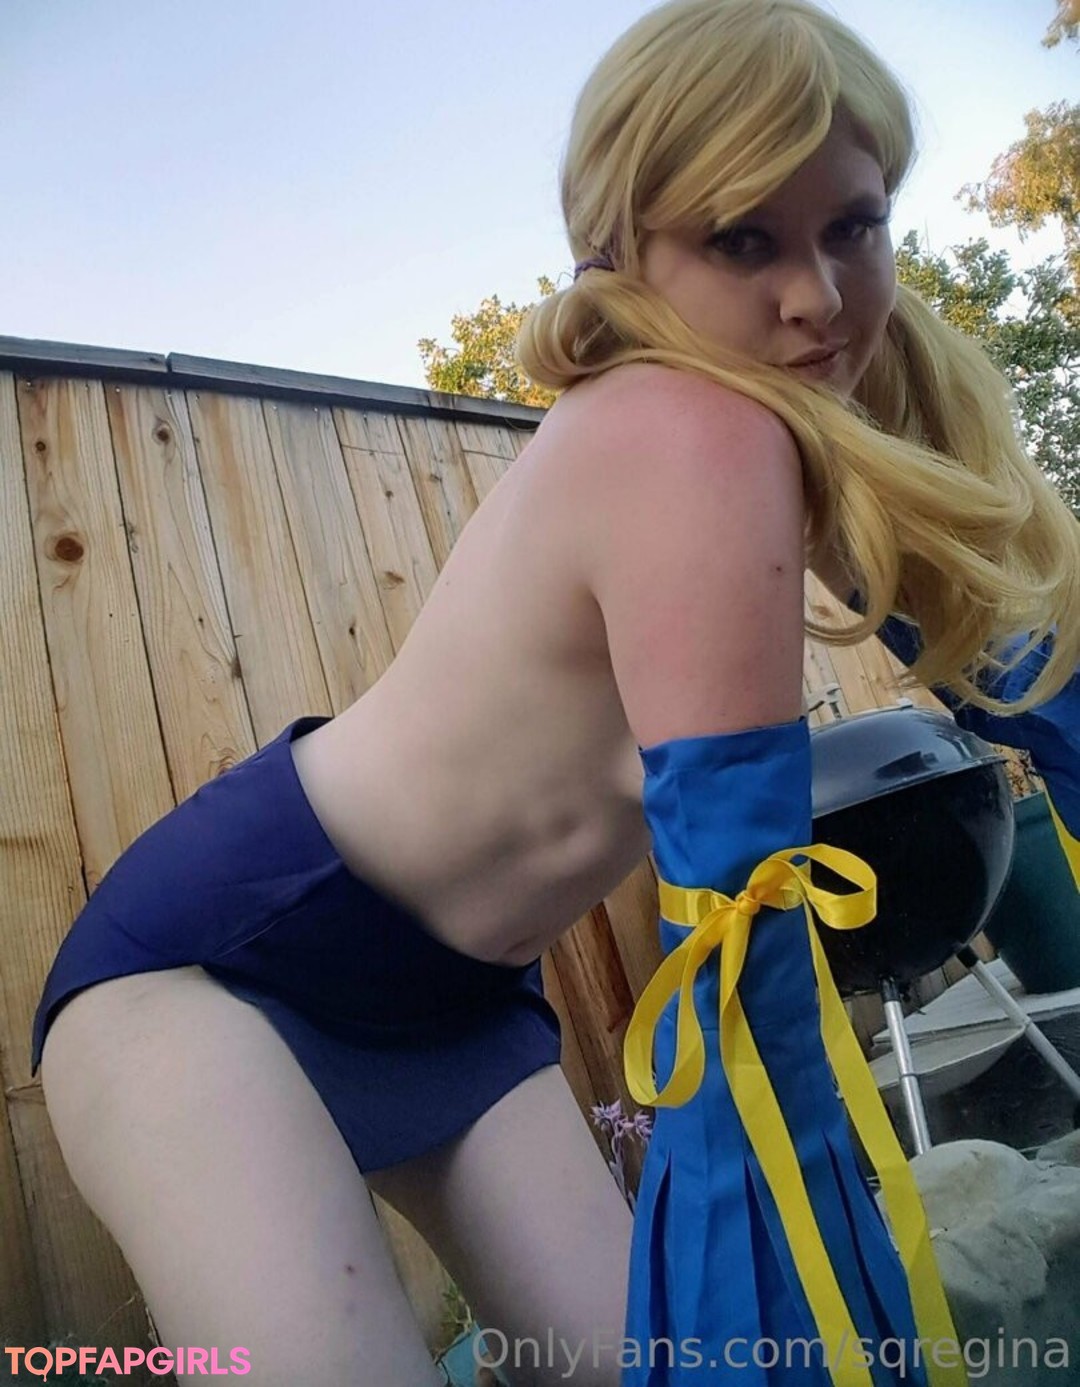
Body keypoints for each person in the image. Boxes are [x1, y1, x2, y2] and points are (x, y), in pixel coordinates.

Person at [34, 0, 1080, 1384]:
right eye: (744, 240)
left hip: (463, 1003)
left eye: (853, 227)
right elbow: (743, 906)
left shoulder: (822, 424)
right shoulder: (686, 427)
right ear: (621, 252)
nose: (818, 295)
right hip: (220, 970)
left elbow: (1037, 685)